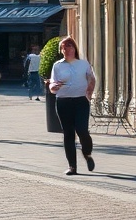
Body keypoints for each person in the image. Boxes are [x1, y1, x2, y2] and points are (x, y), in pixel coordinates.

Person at [49, 35, 96, 175]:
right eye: (64, 48)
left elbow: (91, 78)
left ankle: (87, 153)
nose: (67, 50)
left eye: (69, 47)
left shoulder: (83, 64)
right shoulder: (57, 66)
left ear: (74, 48)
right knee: (68, 133)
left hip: (80, 100)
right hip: (63, 101)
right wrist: (54, 87)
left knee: (82, 130)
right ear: (61, 51)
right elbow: (52, 85)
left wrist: (90, 89)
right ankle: (72, 166)